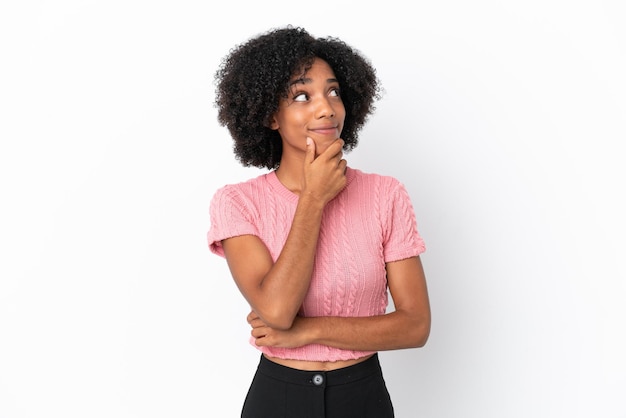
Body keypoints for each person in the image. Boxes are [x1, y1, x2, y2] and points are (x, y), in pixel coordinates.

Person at [207, 25, 431, 418]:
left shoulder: (385, 195)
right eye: (301, 96)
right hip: (278, 398)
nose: (326, 107)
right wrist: (313, 199)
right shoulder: (238, 203)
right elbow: (276, 310)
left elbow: (415, 326)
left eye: (333, 91)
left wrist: (306, 331)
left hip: (362, 397)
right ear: (270, 116)